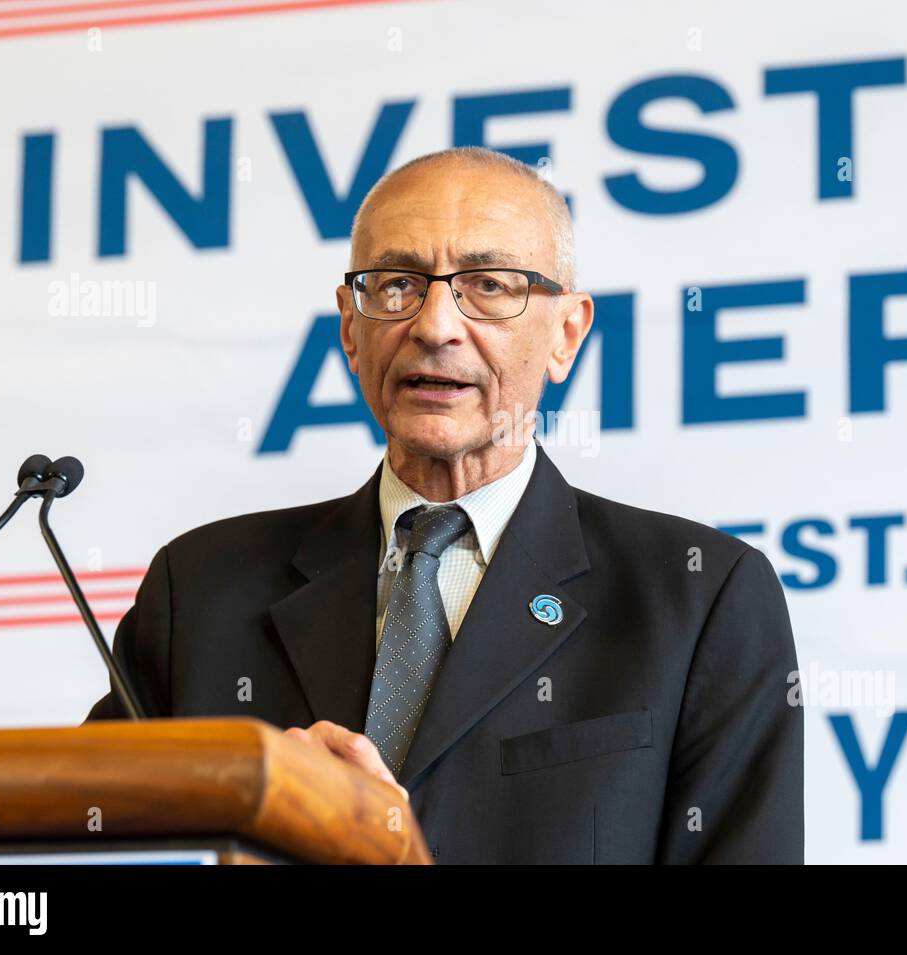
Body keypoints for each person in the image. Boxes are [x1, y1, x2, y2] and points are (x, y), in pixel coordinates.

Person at [86, 146, 803, 864]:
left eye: (488, 285)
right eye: (396, 284)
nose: (434, 325)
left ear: (566, 335)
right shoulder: (203, 587)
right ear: (349, 329)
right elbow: (84, 849)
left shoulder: (700, 594)